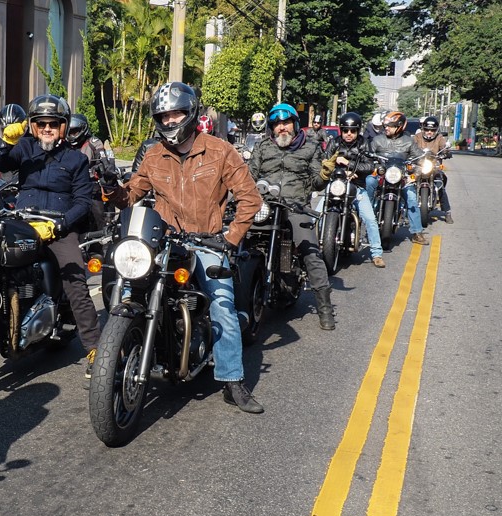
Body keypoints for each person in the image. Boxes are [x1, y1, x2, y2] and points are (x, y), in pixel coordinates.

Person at [106, 82, 266, 413]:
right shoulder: (153, 155)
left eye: (176, 113)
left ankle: (232, 380)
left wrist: (229, 238)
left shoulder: (220, 151)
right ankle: (112, 362)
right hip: (164, 240)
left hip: (207, 240)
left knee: (221, 303)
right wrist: (110, 188)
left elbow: (250, 198)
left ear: (191, 113)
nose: (169, 121)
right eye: (163, 116)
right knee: (124, 288)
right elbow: (132, 194)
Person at [0, 94, 101, 379]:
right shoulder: (23, 148)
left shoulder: (75, 159)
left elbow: (83, 202)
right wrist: (6, 141)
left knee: (75, 281)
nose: (47, 128)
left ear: (62, 127)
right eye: (41, 123)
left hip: (58, 228)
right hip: (23, 223)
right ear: (33, 127)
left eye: (53, 124)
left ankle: (95, 348)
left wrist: (61, 226)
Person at [248, 102, 336, 330]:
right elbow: (249, 176)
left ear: (295, 125)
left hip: (296, 207)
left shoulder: (310, 147)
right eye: (277, 124)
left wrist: (325, 173)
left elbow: (317, 181)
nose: (282, 128)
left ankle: (325, 310)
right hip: (264, 207)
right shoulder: (262, 147)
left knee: (311, 253)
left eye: (286, 123)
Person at [320, 112, 385, 268]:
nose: (349, 134)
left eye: (353, 131)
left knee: (370, 219)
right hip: (336, 185)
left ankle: (376, 253)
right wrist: (335, 167)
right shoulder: (334, 143)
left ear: (358, 131)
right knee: (317, 215)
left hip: (357, 186)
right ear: (341, 130)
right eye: (346, 130)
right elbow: (325, 161)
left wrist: (348, 164)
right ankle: (314, 249)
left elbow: (369, 166)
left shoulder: (364, 144)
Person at [366, 110, 428, 246]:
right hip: (382, 175)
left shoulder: (409, 142)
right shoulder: (377, 140)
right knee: (369, 181)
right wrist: (374, 165)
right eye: (385, 125)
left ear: (399, 126)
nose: (386, 128)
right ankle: (365, 215)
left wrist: (415, 174)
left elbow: (420, 159)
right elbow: (367, 155)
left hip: (402, 177)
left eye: (390, 126)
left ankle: (417, 232)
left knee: (411, 197)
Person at [66, 113, 117, 232]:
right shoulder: (65, 144)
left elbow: (103, 157)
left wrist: (104, 167)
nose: (72, 135)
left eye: (75, 131)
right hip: (70, 183)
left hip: (91, 184)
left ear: (83, 129)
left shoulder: (93, 142)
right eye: (70, 132)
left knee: (98, 213)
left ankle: (99, 241)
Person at [412, 115, 454, 224]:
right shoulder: (417, 137)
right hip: (418, 166)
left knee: (440, 184)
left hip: (434, 166)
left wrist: (446, 152)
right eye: (427, 130)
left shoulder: (439, 138)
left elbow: (444, 147)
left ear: (436, 130)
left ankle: (447, 212)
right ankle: (402, 209)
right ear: (423, 129)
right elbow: (410, 147)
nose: (429, 132)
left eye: (432, 130)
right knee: (408, 183)